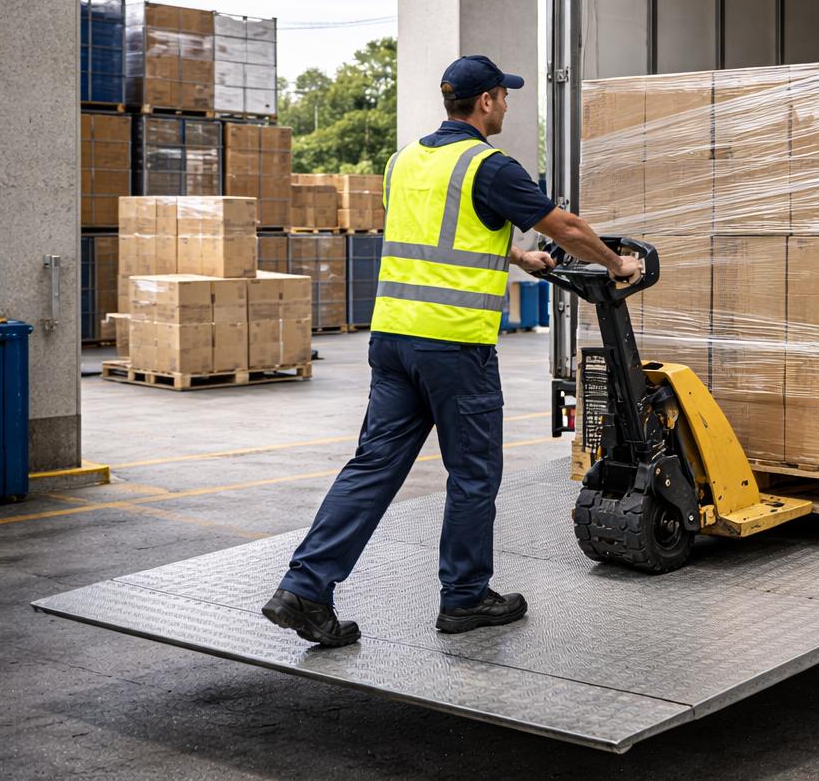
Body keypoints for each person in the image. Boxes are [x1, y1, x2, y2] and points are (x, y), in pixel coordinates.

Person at [262, 54, 641, 647]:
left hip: (392, 339)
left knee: (372, 468)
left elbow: (435, 229)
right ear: (486, 101)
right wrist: (618, 264)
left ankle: (305, 589)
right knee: (472, 474)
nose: (509, 105)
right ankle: (464, 598)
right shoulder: (488, 166)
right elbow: (564, 225)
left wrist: (516, 257)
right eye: (505, 96)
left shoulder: (404, 160)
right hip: (454, 346)